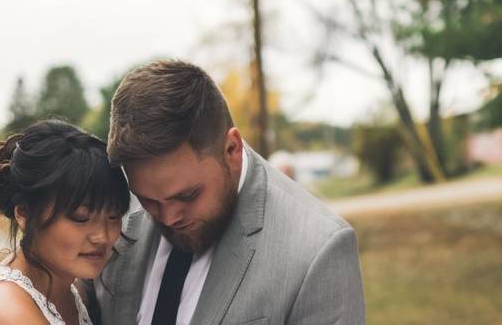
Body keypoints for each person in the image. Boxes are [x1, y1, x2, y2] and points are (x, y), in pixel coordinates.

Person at [89, 59, 365, 325]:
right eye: (148, 200)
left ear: (231, 149)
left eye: (187, 196)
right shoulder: (112, 219)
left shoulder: (317, 249)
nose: (168, 217)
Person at [0, 119, 129, 325]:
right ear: (25, 213)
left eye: (114, 216)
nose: (102, 236)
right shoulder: (2, 308)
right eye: (81, 218)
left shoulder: (68, 291)